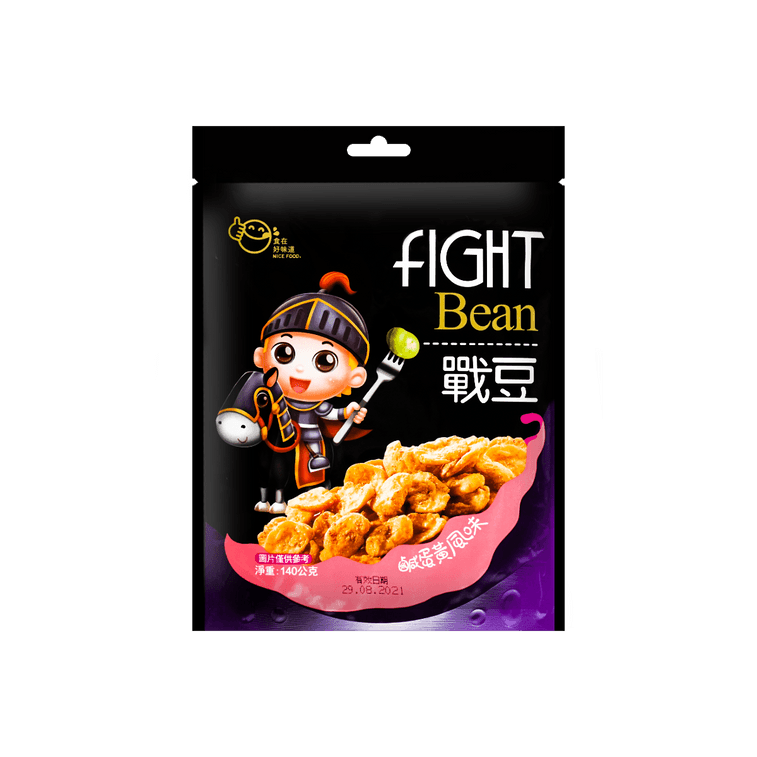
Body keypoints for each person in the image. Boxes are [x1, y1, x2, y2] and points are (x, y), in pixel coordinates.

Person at [253, 272, 370, 510]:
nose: (299, 369)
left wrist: (348, 412)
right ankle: (272, 499)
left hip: (310, 442)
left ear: (355, 377)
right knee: (270, 465)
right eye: (284, 353)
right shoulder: (269, 397)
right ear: (260, 357)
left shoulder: (317, 405)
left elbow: (331, 413)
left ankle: (317, 501)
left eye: (325, 361)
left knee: (315, 471)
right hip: (278, 439)